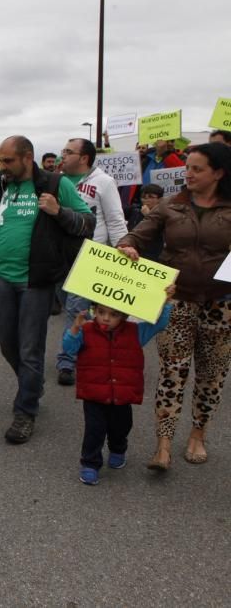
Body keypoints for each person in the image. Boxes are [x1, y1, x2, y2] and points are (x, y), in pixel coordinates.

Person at [0, 135, 95, 444]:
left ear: (27, 157)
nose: (1, 166)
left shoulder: (55, 184)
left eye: (7, 161)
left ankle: (25, 410)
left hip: (36, 281)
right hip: (1, 278)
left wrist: (58, 211)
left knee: (30, 349)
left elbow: (88, 222)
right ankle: (31, 384)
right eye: (0, 161)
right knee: (8, 344)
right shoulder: (1, 187)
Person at [116, 142, 231, 470]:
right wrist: (127, 246)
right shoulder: (170, 206)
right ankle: (163, 445)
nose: (188, 173)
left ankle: (198, 434)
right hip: (176, 301)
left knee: (211, 375)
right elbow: (136, 236)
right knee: (172, 371)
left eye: (197, 169)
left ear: (219, 173)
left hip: (222, 305)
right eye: (187, 167)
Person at [65, 296, 173, 486]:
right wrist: (74, 329)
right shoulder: (86, 330)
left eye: (113, 314)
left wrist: (165, 301)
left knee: (121, 427)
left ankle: (118, 448)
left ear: (124, 316)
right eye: (101, 312)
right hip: (94, 394)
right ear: (94, 311)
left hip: (122, 395)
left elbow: (159, 324)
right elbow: (69, 348)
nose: (106, 318)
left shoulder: (135, 332)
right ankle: (90, 464)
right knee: (94, 430)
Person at [55, 138, 129, 387]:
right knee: (68, 304)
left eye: (67, 152)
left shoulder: (103, 182)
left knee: (76, 308)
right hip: (59, 255)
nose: (61, 156)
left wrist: (122, 249)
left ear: (84, 158)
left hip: (89, 256)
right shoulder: (58, 180)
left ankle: (67, 361)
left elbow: (115, 219)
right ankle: (83, 343)